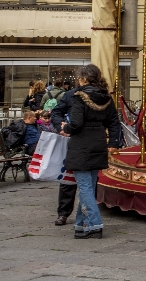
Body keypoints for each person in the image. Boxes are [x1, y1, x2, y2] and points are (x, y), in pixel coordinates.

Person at [61, 64, 121, 239]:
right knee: (89, 185)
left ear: (84, 78)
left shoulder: (79, 97)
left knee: (85, 187)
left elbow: (77, 123)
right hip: (98, 142)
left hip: (81, 143)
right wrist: (114, 142)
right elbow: (114, 121)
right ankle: (81, 225)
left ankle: (95, 224)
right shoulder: (105, 97)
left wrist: (67, 128)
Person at [50, 83, 79, 226]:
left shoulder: (97, 95)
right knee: (67, 178)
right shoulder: (70, 95)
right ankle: (63, 212)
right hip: (71, 139)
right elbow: (56, 112)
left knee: (91, 181)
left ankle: (87, 212)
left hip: (89, 140)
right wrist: (59, 126)